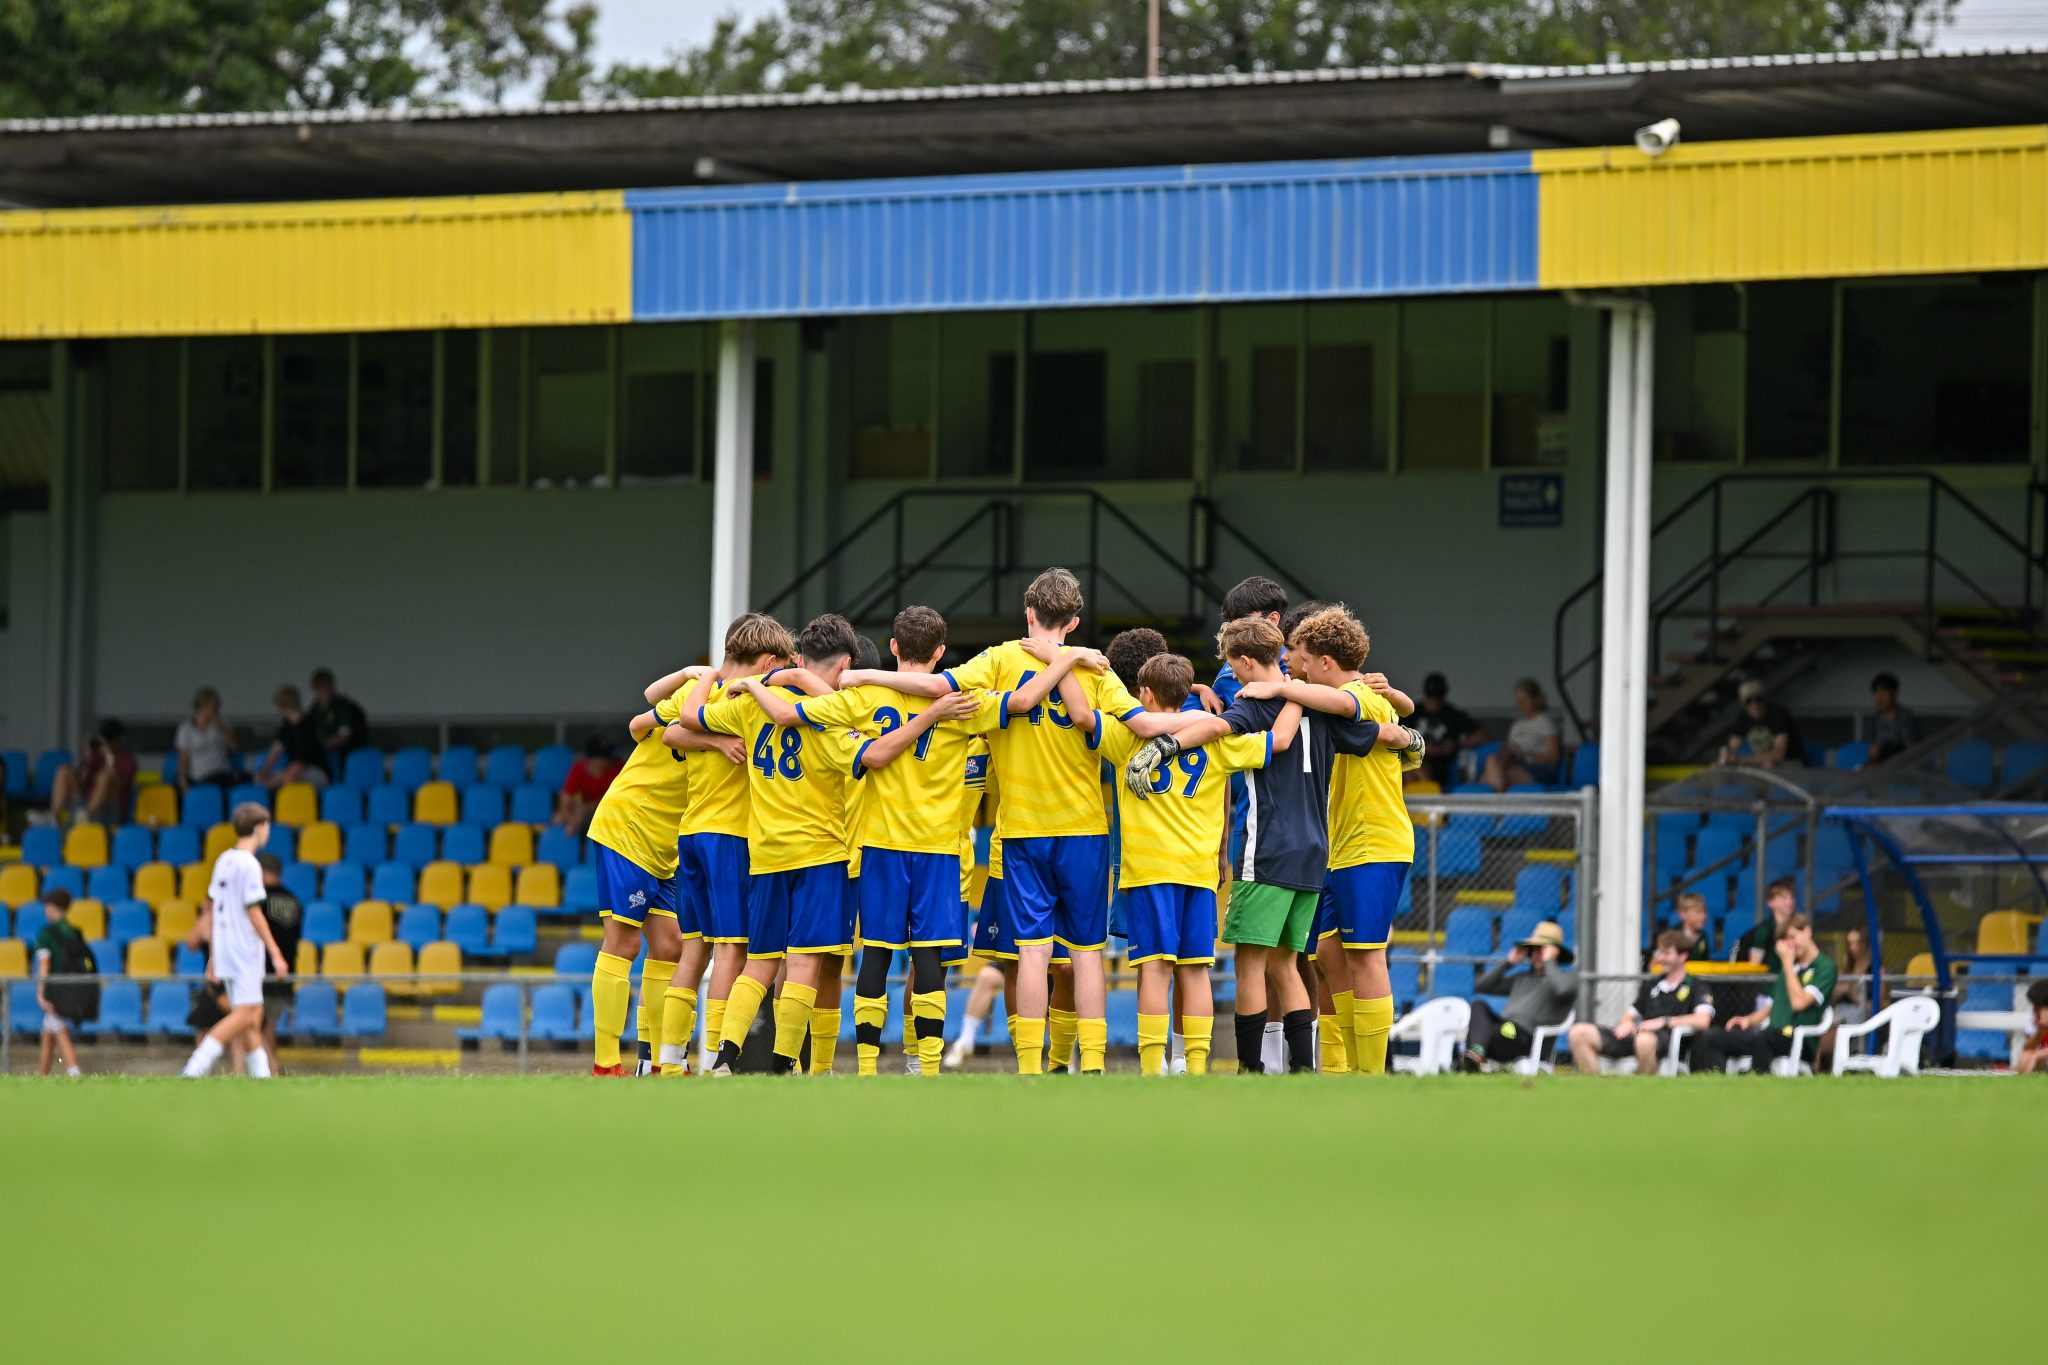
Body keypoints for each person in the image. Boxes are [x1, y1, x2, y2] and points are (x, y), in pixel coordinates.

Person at [841, 567, 1187, 1074]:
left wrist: (867, 675)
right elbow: (1145, 724)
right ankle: (1090, 1065)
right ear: (1073, 620)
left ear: (1028, 614)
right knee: (1088, 953)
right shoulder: (1094, 669)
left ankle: (1030, 1068)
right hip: (1085, 830)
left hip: (1021, 832)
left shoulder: (999, 659)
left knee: (1031, 954)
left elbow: (936, 686)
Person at [750, 606, 1089, 1076]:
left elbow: (795, 713)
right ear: (942, 653)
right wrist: (1065, 659)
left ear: (892, 646)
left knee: (876, 957)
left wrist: (770, 680)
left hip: (881, 846)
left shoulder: (868, 696)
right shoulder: (963, 702)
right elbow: (1024, 701)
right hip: (939, 852)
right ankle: (925, 1068)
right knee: (929, 960)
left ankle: (866, 1068)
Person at [1173, 604, 1422, 1074]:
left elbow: (1367, 716)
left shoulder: (1341, 697)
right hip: (1327, 849)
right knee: (1321, 956)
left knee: (1340, 958)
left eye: (1299, 654)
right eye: (1286, 652)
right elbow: (1388, 729)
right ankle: (1328, 1068)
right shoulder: (1321, 705)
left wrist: (1280, 690)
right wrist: (1410, 735)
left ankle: (1358, 1073)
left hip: (1337, 845)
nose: (1291, 661)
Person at [681, 614, 868, 1075]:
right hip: (819, 851)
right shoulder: (826, 713)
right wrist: (797, 680)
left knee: (759, 962)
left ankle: (723, 1058)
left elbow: (690, 717)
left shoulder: (747, 705)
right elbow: (867, 735)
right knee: (804, 963)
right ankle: (786, 1063)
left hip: (765, 854)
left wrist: (712, 679)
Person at [1096, 653, 1277, 1075]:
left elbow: (1086, 714)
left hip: (1149, 873)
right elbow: (1277, 741)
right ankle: (1195, 1066)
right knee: (1195, 971)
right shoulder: (1215, 741)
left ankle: (1151, 1067)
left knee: (1155, 970)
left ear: (1144, 693)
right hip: (1199, 874)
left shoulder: (1126, 739)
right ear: (1185, 693)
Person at [651, 613, 794, 1076]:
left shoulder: (701, 692)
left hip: (690, 834)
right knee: (732, 949)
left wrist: (707, 738)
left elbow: (668, 729)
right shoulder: (750, 702)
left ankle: (668, 1061)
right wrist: (717, 741)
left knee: (695, 948)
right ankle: (718, 1059)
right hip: (730, 837)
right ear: (767, 661)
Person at [580, 662, 730, 1076]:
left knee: (670, 946)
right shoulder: (703, 697)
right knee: (624, 944)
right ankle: (606, 1062)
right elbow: (639, 723)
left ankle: (657, 1063)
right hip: (632, 826)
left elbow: (643, 712)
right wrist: (690, 676)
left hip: (668, 841)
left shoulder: (737, 703)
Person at [180, 803, 291, 1078]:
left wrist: (215, 955)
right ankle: (194, 1069)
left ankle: (262, 1077)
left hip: (228, 947)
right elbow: (253, 910)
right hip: (245, 949)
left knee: (252, 1016)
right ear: (259, 827)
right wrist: (275, 952)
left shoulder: (224, 860)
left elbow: (214, 909)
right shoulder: (250, 864)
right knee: (244, 1015)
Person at [1689, 914, 1837, 1075]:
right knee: (1714, 1037)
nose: (1791, 945)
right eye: (1786, 941)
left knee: (1764, 1037)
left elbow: (1798, 1003)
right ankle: (1718, 1085)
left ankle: (1758, 1083)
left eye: (1793, 937)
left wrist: (1787, 963)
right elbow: (1770, 1007)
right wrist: (1748, 1020)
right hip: (1770, 1035)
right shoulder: (1791, 969)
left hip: (1798, 1039)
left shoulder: (1824, 967)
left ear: (1807, 931)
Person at [1569, 930, 1714, 1074]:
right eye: (1660, 952)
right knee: (1579, 1032)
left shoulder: (1697, 986)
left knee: (1644, 1041)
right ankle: (1595, 1087)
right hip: (1637, 1035)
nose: (1660, 958)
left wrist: (1664, 1021)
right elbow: (1630, 1014)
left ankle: (1642, 1091)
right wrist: (1627, 1023)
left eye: (1666, 953)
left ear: (1683, 957)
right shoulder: (1651, 984)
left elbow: (1703, 1020)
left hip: (1665, 1040)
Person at [1465, 921, 1577, 1070]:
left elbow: (1564, 990)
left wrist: (1549, 961)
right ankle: (1475, 1055)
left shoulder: (1567, 978)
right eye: (1533, 949)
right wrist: (1508, 963)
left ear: (1553, 952)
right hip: (1504, 1029)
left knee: (1483, 1032)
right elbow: (1482, 986)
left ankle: (1473, 1057)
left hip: (1524, 1038)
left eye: (1541, 949)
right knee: (1479, 1005)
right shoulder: (1523, 977)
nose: (1536, 954)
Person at [32, 889, 88, 1077]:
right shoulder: (74, 932)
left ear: (53, 907)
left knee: (59, 1029)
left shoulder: (46, 933)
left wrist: (41, 992)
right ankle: (42, 1074)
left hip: (55, 988)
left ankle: (75, 1073)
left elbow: (44, 964)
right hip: (73, 986)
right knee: (48, 1031)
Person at [256, 851, 303, 1066]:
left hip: (262, 971)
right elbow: (295, 935)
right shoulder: (294, 901)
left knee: (255, 1024)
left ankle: (272, 1067)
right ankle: (269, 1068)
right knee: (269, 1026)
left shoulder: (259, 901)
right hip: (286, 972)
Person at [45, 718, 138, 824]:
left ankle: (87, 816)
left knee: (105, 776)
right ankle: (53, 815)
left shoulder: (128, 761)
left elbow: (118, 784)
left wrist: (109, 755)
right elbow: (82, 779)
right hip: (84, 802)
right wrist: (88, 756)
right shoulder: (96, 757)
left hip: (109, 808)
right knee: (63, 770)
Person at [1482, 677, 1561, 790]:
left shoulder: (1545, 722)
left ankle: (1495, 801)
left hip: (1537, 768)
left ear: (1535, 699)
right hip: (1514, 764)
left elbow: (1554, 756)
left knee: (1491, 778)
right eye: (1518, 701)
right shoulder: (1517, 725)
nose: (1520, 705)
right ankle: (1497, 797)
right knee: (1491, 762)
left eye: (1524, 700)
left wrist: (1526, 757)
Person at [1409, 673, 1485, 788]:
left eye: (1437, 697)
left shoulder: (1452, 714)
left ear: (1444, 695)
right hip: (1418, 760)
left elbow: (1481, 735)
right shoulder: (1412, 713)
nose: (1434, 701)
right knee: (1412, 765)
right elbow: (1395, 736)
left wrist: (1456, 745)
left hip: (1445, 765)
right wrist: (1422, 748)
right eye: (1431, 697)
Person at [1718, 679, 1804, 769]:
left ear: (1765, 699)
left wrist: (1742, 760)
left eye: (1758, 699)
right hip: (1762, 764)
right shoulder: (1743, 718)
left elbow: (1778, 754)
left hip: (1790, 763)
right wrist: (1724, 759)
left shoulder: (1778, 715)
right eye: (1749, 701)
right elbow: (1732, 747)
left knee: (1768, 765)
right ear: (1742, 703)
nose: (1754, 704)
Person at [254, 687, 329, 791]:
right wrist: (265, 772)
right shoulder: (286, 725)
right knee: (258, 779)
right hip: (293, 770)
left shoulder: (308, 724)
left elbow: (300, 764)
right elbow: (275, 749)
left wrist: (272, 782)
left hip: (314, 772)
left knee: (288, 779)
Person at [555, 736, 623, 836]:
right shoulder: (579, 769)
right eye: (601, 757)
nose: (606, 762)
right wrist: (571, 819)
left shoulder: (619, 768)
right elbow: (566, 800)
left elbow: (619, 800)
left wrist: (586, 808)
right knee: (558, 818)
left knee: (581, 813)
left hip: (611, 810)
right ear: (591, 758)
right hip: (585, 810)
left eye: (607, 757)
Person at [175, 686, 238, 792]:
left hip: (221, 773)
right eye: (214, 706)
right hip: (199, 776)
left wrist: (222, 728)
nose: (217, 710)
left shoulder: (223, 724)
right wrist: (183, 780)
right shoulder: (186, 728)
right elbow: (183, 757)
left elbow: (235, 747)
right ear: (203, 706)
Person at [308, 668, 369, 772]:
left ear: (331, 687)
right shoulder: (315, 709)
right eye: (318, 689)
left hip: (346, 754)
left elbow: (344, 736)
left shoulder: (344, 707)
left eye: (324, 688)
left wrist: (323, 746)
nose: (320, 693)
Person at [1733, 877, 1798, 965]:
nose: (1789, 901)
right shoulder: (1763, 932)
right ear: (1770, 902)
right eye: (1784, 897)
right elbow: (1754, 968)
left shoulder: (1799, 929)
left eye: (1792, 897)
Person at [1865, 672, 1921, 766]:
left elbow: (1913, 752)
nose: (1879, 697)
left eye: (1884, 692)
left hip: (1903, 768)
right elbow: (1872, 753)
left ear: (1895, 694)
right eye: (1876, 692)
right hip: (1881, 770)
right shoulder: (1873, 720)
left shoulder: (1906, 718)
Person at [2015, 980, 2048, 1075]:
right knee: (2025, 1057)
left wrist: (2038, 1055)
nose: (2035, 1010)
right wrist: (2040, 1033)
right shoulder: (2035, 1018)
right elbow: (2027, 1047)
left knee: (2035, 1056)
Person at [1673, 890, 1714, 961]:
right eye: (1698, 912)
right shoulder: (1672, 936)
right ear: (1682, 914)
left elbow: (1706, 962)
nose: (1704, 916)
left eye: (1704, 911)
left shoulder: (1703, 936)